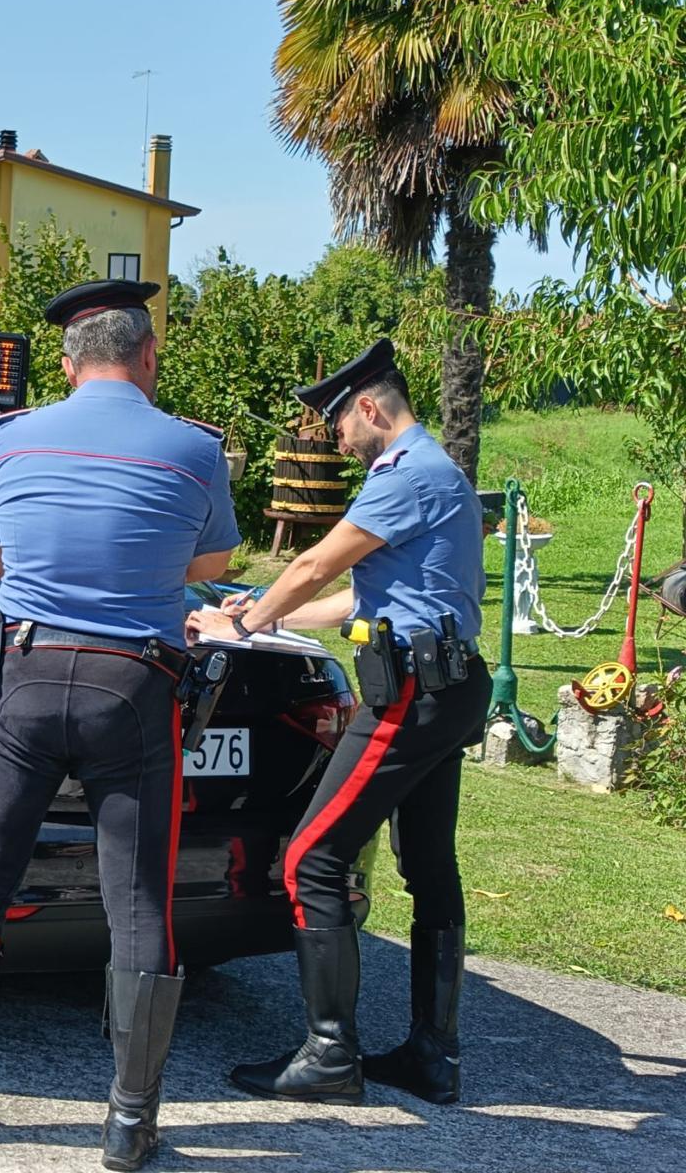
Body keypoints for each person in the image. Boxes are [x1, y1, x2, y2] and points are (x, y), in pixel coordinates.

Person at [0, 279, 240, 1171]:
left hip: (22, 674)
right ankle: (129, 1124)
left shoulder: (15, 439)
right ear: (148, 356)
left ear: (68, 366)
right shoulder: (191, 448)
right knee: (137, 900)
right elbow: (212, 560)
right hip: (132, 685)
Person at [186, 337, 490, 1107]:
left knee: (311, 860)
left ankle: (329, 1056)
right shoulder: (434, 472)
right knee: (429, 867)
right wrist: (255, 613)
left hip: (412, 697)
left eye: (339, 428)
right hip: (448, 687)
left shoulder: (403, 474)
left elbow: (313, 566)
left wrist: (246, 621)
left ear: (367, 407)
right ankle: (433, 1055)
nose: (338, 442)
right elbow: (359, 599)